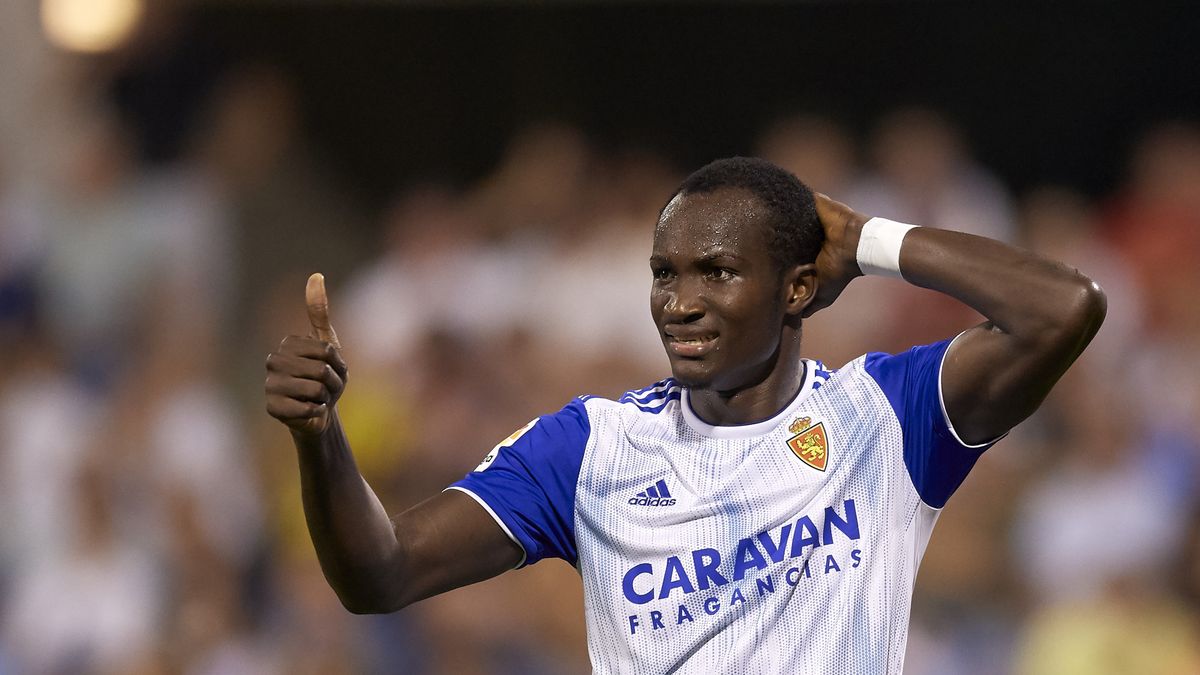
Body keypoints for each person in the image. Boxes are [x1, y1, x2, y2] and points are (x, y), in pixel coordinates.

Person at [264, 157, 1106, 673]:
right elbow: (380, 574)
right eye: (665, 273)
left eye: (716, 272)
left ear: (798, 288)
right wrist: (320, 434)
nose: (680, 302)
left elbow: (1063, 308)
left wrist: (869, 239)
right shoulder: (590, 448)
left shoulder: (883, 418)